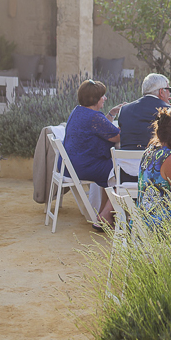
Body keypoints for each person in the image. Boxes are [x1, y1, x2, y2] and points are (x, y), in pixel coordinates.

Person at [61, 79, 127, 229]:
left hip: (70, 164)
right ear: (95, 99)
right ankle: (105, 216)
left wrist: (111, 113)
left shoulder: (79, 110)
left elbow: (103, 129)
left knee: (112, 166)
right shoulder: (93, 117)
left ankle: (104, 209)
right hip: (83, 166)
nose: (105, 98)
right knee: (121, 169)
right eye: (102, 96)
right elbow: (117, 136)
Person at [118, 73, 171, 152]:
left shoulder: (124, 109)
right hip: (154, 162)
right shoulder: (168, 111)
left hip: (125, 162)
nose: (170, 93)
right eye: (169, 89)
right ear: (161, 92)